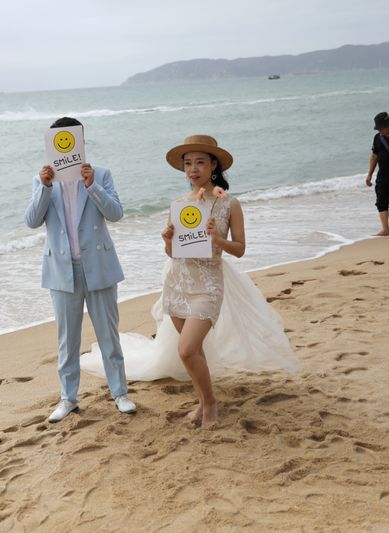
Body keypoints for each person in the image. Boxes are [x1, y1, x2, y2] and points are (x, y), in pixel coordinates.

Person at [81, 135, 300, 428]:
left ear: (213, 166)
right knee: (194, 352)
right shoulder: (180, 205)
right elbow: (174, 254)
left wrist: (217, 238)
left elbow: (240, 249)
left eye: (199, 162)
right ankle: (202, 400)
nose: (193, 169)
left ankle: (210, 404)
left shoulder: (229, 204)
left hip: (208, 285)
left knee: (185, 349)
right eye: (188, 164)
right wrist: (168, 240)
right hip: (178, 283)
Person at [24, 117, 136, 423]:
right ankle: (68, 398)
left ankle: (120, 393)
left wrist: (93, 186)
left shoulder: (100, 174)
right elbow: (32, 221)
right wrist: (44, 188)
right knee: (67, 339)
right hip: (62, 269)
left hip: (98, 264)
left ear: (81, 141)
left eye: (72, 139)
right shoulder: (43, 180)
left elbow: (116, 213)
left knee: (108, 335)